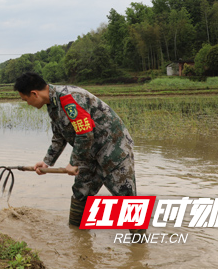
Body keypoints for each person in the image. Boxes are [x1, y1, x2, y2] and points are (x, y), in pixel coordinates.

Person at [14, 72, 139, 231]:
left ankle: (139, 248)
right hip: (89, 152)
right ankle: (78, 240)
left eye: (26, 100)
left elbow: (85, 133)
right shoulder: (52, 105)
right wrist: (47, 161)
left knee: (126, 200)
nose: (27, 104)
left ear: (34, 94)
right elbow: (60, 135)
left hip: (113, 150)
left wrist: (74, 163)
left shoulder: (69, 98)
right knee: (81, 193)